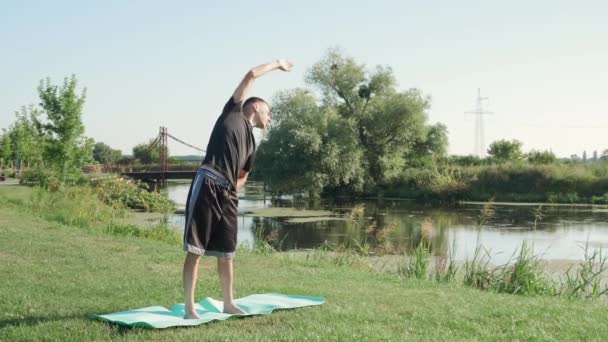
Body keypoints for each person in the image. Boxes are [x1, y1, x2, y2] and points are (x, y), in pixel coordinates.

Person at [182, 59, 294, 318]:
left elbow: (243, 175)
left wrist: (234, 188)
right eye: (269, 112)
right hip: (208, 182)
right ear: (255, 107)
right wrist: (277, 64)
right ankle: (189, 308)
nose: (270, 118)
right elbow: (252, 74)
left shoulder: (252, 145)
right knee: (196, 250)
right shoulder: (232, 112)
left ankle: (228, 303)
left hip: (228, 194)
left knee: (227, 252)